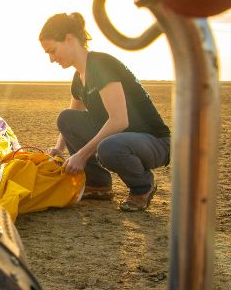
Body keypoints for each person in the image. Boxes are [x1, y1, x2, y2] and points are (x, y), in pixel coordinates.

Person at [39, 12, 170, 212]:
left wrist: (81, 156)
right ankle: (98, 184)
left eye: (53, 50)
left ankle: (142, 187)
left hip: (154, 142)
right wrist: (58, 150)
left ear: (69, 39)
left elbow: (119, 121)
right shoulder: (78, 77)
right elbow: (71, 120)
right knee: (65, 118)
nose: (51, 59)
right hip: (122, 139)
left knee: (108, 147)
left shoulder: (100, 64)